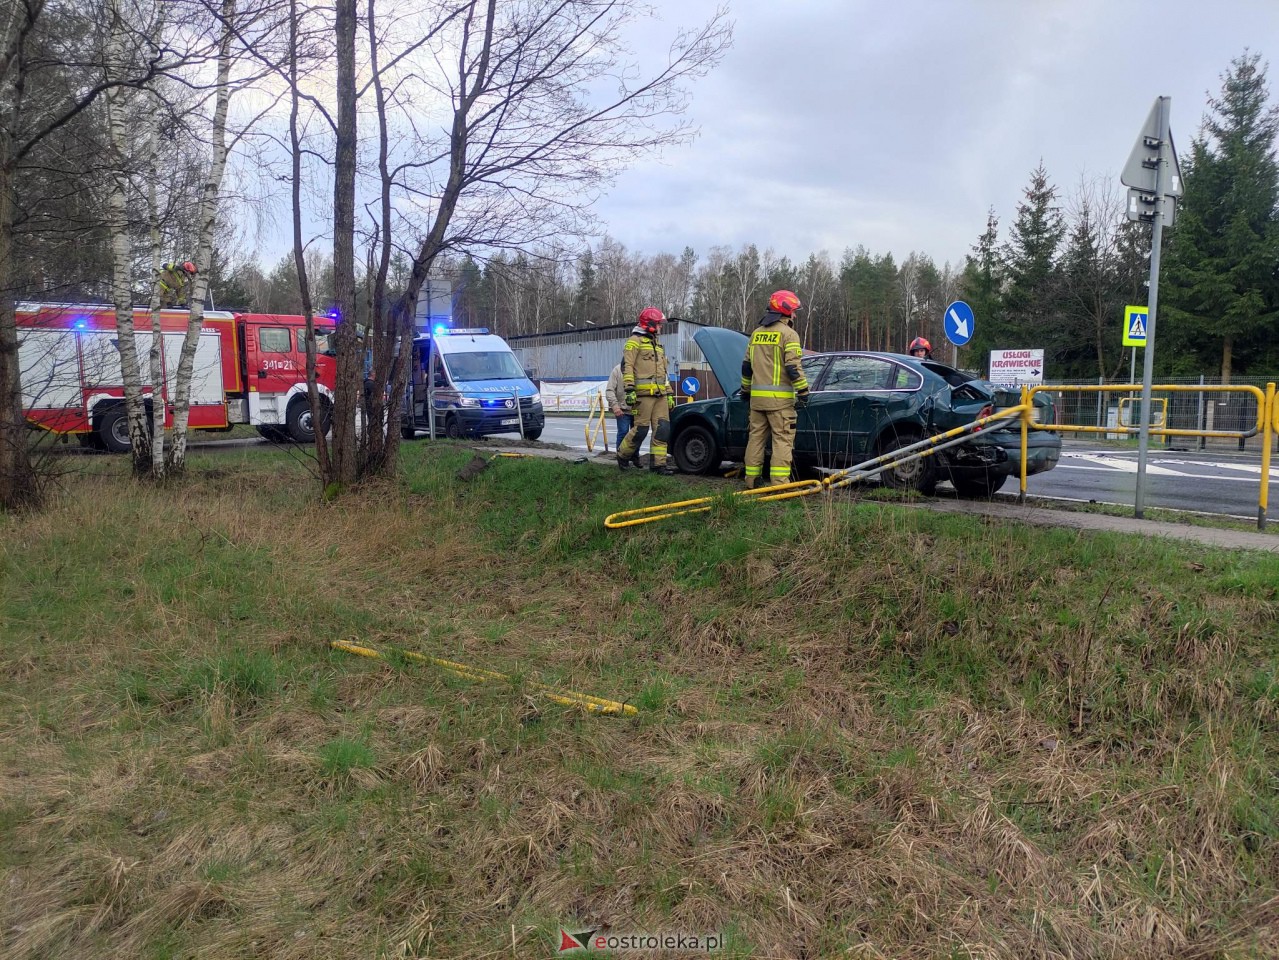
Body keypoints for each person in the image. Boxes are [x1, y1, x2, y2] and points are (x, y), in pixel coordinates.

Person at [741, 290, 809, 489]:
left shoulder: (756, 333)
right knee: (782, 441)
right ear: (785, 310)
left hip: (757, 401)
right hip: (780, 403)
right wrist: (803, 391)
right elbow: (793, 367)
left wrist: (746, 390)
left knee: (755, 439)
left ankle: (752, 481)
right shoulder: (789, 334)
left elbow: (746, 366)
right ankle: (780, 485)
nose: (795, 315)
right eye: (794, 311)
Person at [617, 307, 676, 474]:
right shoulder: (634, 342)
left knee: (662, 430)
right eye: (659, 324)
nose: (661, 327)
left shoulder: (657, 344)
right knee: (640, 430)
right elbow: (626, 367)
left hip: (661, 395)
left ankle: (659, 465)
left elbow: (664, 373)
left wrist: (669, 393)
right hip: (642, 395)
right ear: (650, 324)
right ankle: (623, 455)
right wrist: (629, 390)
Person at [604, 362, 633, 451]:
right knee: (623, 433)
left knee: (637, 436)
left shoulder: (641, 368)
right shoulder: (617, 370)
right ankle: (621, 457)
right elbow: (610, 390)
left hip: (638, 410)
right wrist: (615, 406)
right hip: (622, 410)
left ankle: (635, 457)